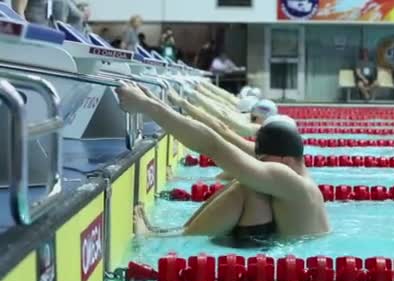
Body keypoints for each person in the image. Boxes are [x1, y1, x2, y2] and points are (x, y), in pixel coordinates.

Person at [116, 82, 329, 245]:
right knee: (247, 180)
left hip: (285, 266)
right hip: (276, 250)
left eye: (263, 161)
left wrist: (149, 107)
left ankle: (162, 238)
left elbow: (214, 146)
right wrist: (158, 104)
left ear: (286, 160)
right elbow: (222, 134)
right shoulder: (294, 174)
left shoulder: (288, 180)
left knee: (247, 185)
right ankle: (172, 231)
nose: (261, 164)